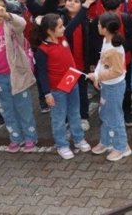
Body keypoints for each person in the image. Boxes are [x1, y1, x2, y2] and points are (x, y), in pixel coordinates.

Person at [0, 0, 38, 153]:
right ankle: (15, 138)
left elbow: (22, 23)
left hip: (17, 74)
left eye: (2, 7)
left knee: (23, 107)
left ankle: (30, 137)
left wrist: (7, 15)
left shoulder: (11, 25)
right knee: (6, 109)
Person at [32, 13, 91, 160]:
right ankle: (62, 145)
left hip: (71, 83)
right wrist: (47, 93)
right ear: (50, 31)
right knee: (58, 118)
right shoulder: (42, 50)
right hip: (56, 90)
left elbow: (75, 22)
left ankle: (78, 139)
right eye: (60, 26)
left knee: (75, 113)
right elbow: (42, 74)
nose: (63, 28)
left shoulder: (63, 38)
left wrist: (85, 6)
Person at [87, 13, 131, 161]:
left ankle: (122, 146)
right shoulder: (106, 41)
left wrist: (98, 76)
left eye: (99, 25)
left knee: (115, 116)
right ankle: (106, 142)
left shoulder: (114, 48)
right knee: (105, 113)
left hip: (114, 87)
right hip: (107, 86)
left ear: (105, 28)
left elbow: (116, 71)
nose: (98, 26)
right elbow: (102, 61)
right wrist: (97, 74)